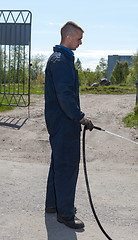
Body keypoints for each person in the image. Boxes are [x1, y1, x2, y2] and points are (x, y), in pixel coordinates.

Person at [45, 21, 93, 229]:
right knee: (66, 167)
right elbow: (65, 96)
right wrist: (79, 117)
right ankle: (65, 214)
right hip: (64, 124)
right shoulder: (61, 61)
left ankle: (53, 205)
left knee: (58, 164)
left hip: (60, 123)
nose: (81, 42)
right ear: (68, 38)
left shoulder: (60, 59)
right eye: (79, 38)